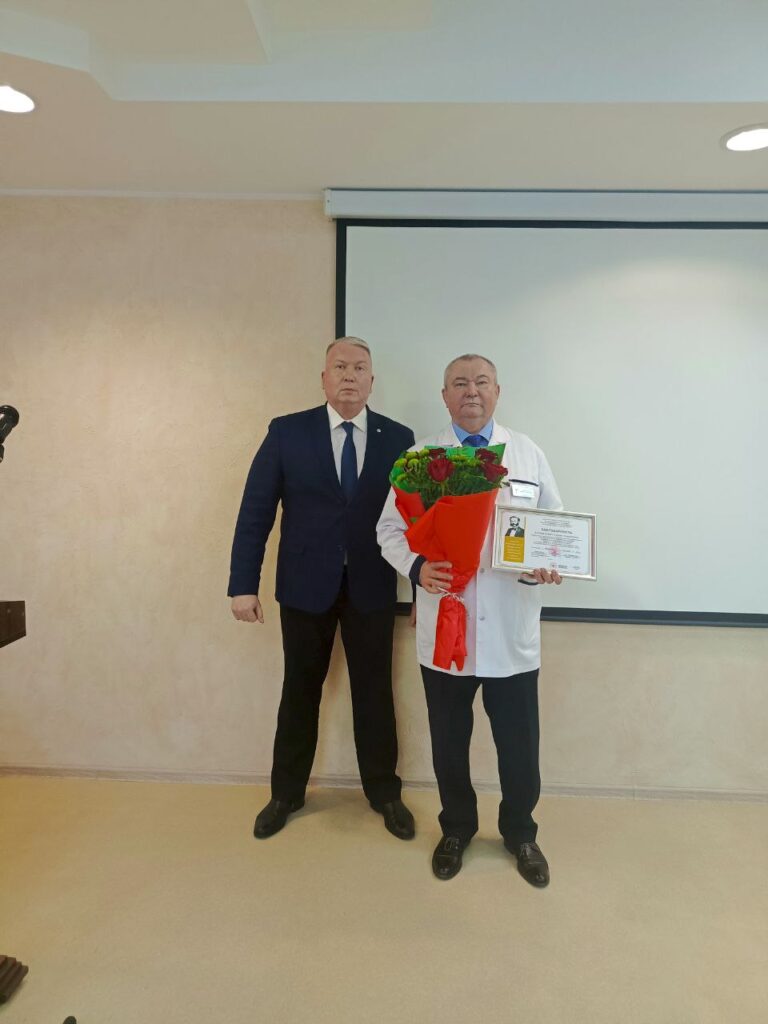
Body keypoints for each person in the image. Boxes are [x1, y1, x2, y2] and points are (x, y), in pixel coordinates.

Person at [377, 353, 562, 885]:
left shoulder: (527, 454)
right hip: (446, 629)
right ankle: (456, 827)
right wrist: (418, 568)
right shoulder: (421, 458)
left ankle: (521, 832)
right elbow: (389, 530)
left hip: (510, 629)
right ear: (445, 396)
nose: (471, 391)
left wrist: (544, 565)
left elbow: (554, 525)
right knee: (449, 743)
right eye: (460, 383)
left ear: (497, 392)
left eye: (481, 382)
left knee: (519, 747)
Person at [229, 337, 416, 842]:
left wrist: (422, 592)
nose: (349, 375)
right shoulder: (287, 432)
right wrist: (243, 585)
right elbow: (255, 512)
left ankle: (385, 793)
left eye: (359, 368)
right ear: (324, 378)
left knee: (375, 693)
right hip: (304, 587)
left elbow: (417, 523)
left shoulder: (399, 439)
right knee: (299, 691)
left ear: (372, 380)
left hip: (372, 588)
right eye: (340, 367)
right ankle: (286, 794)